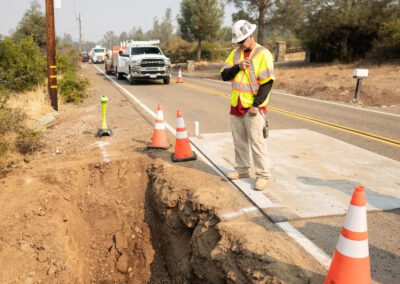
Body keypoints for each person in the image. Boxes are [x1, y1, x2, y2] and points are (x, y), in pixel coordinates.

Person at [220, 20, 275, 191]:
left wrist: (256, 105)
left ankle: (263, 175)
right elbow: (224, 75)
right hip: (236, 105)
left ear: (251, 36)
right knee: (239, 141)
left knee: (257, 142)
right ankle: (242, 170)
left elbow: (267, 83)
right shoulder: (235, 54)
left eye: (243, 40)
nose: (241, 44)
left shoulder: (263, 54)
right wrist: (237, 67)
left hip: (253, 108)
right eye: (238, 42)